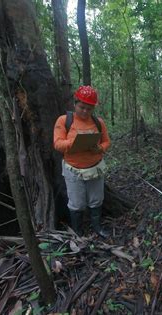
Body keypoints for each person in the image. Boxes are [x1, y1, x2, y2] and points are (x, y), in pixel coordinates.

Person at [53, 86, 110, 238]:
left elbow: (106, 142)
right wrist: (75, 142)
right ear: (75, 103)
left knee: (96, 200)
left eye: (89, 109)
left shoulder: (99, 122)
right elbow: (57, 144)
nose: (85, 111)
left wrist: (99, 148)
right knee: (77, 203)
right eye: (82, 107)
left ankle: (97, 227)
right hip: (73, 169)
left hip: (95, 167)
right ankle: (78, 231)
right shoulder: (64, 120)